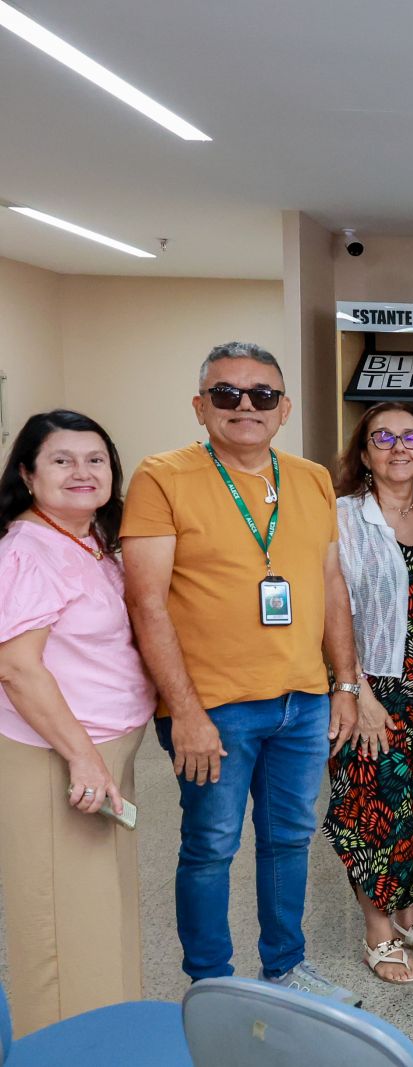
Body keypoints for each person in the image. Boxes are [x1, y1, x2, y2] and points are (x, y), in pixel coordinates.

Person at [122, 342, 359, 1004]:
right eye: (226, 393)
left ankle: (285, 965)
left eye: (262, 394)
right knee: (211, 846)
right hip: (214, 709)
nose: (245, 405)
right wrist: (185, 712)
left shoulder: (311, 478)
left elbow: (330, 584)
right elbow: (145, 602)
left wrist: (344, 683)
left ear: (285, 408)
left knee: (289, 840)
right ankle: (212, 983)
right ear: (201, 407)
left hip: (303, 699)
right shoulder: (163, 477)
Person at [0, 411, 154, 1035]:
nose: (81, 472)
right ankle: (60, 1046)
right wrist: (82, 757)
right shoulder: (25, 550)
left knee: (103, 906)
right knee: (61, 925)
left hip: (102, 749)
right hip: (56, 753)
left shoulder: (92, 538)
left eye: (95, 459)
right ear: (27, 474)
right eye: (61, 460)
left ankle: (113, 1034)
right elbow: (16, 667)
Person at [323, 402, 413, 984]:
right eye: (383, 438)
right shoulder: (341, 517)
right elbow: (332, 607)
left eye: (410, 437)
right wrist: (354, 688)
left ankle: (410, 916)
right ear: (363, 452)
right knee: (373, 810)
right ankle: (377, 932)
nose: (399, 447)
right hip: (374, 688)